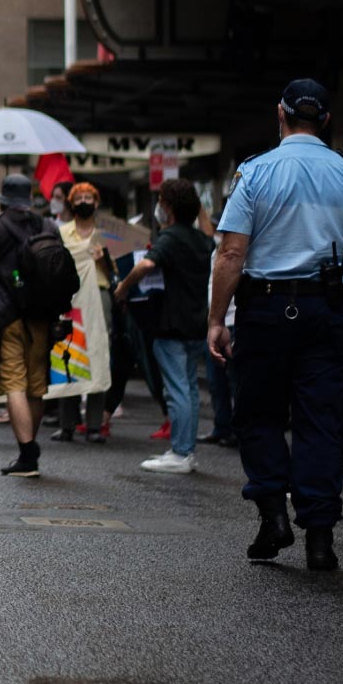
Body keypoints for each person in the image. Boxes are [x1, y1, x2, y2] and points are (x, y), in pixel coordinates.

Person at [210, 79, 343, 572]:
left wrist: (217, 319)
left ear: (280, 114)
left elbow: (232, 252)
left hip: (265, 310)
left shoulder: (256, 173)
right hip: (331, 310)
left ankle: (273, 515)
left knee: (257, 414)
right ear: (325, 121)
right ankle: (320, 538)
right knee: (322, 422)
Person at [118, 179, 213, 474]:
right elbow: (209, 231)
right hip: (197, 322)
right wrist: (198, 208)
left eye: (161, 200)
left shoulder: (170, 238)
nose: (158, 206)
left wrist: (123, 287)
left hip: (172, 324)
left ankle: (181, 452)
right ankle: (186, 450)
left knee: (177, 390)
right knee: (190, 391)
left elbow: (146, 265)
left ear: (168, 206)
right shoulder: (202, 239)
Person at [0, 173, 58, 478]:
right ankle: (29, 449)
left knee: (14, 384)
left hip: (7, 316)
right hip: (42, 316)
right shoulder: (48, 226)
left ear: (3, 200)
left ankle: (27, 453)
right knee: (35, 386)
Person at [52, 182, 114, 443]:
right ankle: (67, 423)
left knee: (98, 353)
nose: (85, 201)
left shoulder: (107, 233)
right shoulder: (62, 232)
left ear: (96, 202)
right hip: (70, 297)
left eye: (89, 197)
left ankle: (94, 425)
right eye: (80, 198)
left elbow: (116, 272)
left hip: (98, 295)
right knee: (68, 354)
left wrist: (103, 259)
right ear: (72, 203)